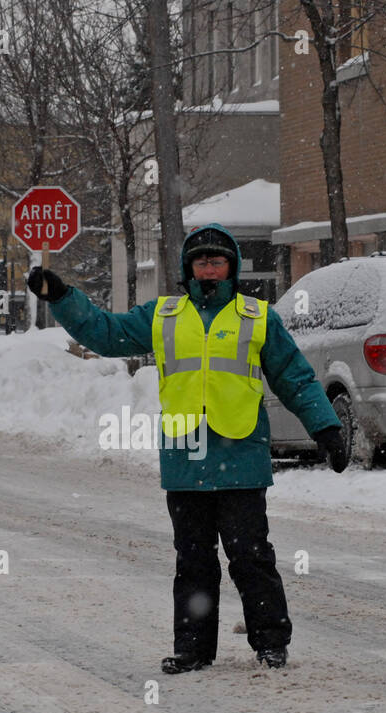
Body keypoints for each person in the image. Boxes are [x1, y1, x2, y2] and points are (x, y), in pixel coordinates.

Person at [28, 223, 348, 674]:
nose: (210, 269)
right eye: (202, 262)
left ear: (232, 268)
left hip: (241, 457)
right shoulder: (164, 316)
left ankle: (271, 643)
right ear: (188, 268)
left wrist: (326, 427)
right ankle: (194, 649)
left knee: (252, 558)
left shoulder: (258, 318)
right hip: (186, 458)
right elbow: (105, 333)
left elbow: (294, 378)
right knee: (193, 561)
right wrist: (62, 297)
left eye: (218, 262)